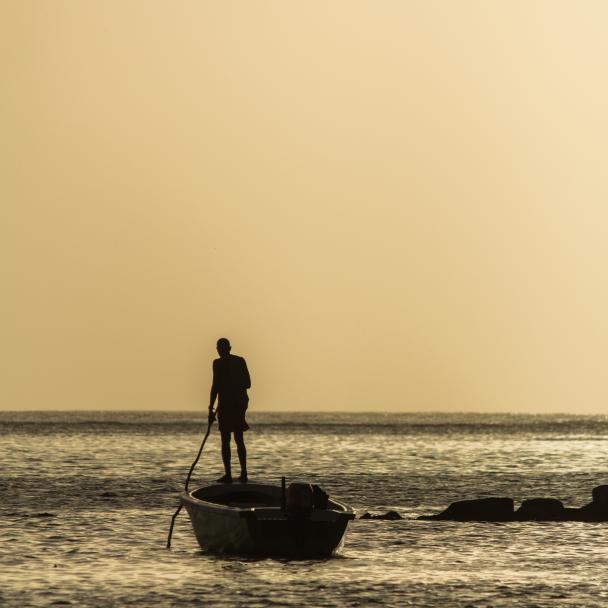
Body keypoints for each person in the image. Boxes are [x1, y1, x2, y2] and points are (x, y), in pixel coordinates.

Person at [208, 338, 251, 483]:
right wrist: (210, 408)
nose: (220, 351)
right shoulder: (217, 363)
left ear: (229, 348)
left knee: (237, 437)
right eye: (218, 349)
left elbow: (248, 383)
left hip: (237, 403)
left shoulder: (239, 361)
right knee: (226, 439)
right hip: (226, 404)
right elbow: (215, 387)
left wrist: (231, 385)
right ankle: (229, 474)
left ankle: (243, 473)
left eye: (222, 349)